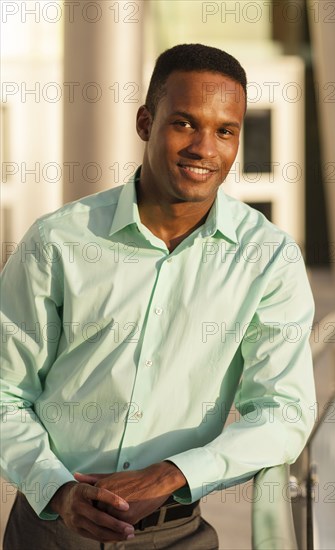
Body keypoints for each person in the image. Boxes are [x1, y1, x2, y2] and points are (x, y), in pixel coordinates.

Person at [1, 43, 316, 549]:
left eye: (225, 131)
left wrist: (174, 473)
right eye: (185, 123)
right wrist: (57, 490)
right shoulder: (57, 242)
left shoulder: (268, 258)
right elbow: (5, 391)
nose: (204, 148)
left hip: (178, 534)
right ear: (146, 122)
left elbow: (284, 412)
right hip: (51, 531)